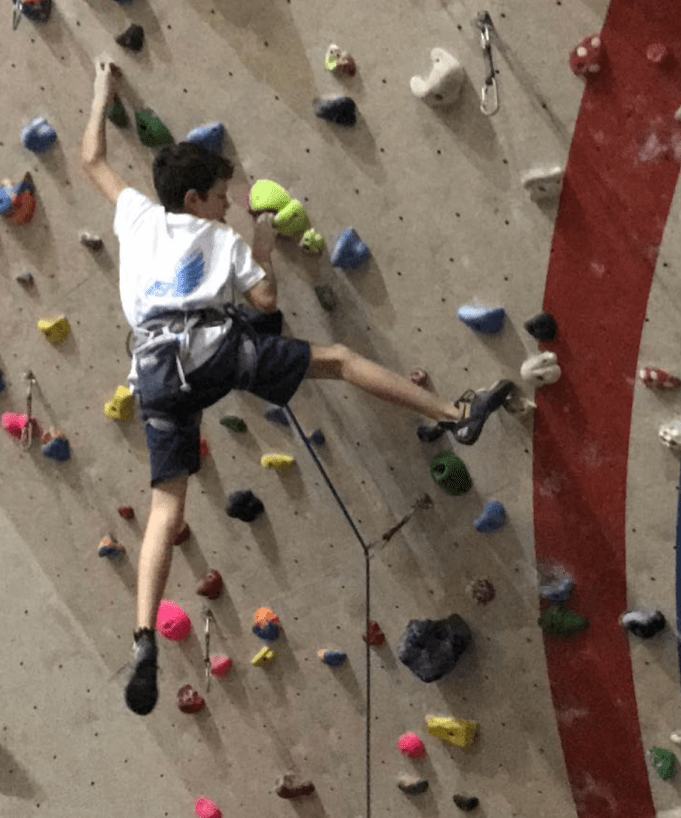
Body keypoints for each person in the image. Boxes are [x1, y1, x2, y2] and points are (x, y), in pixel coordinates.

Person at [80, 57, 516, 715]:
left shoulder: (139, 216)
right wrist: (260, 239)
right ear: (196, 200)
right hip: (211, 350)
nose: (227, 201)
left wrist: (100, 86)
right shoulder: (219, 236)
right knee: (336, 358)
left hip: (153, 372)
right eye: (221, 194)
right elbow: (262, 300)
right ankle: (453, 414)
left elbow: (92, 157)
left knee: (166, 504)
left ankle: (143, 636)